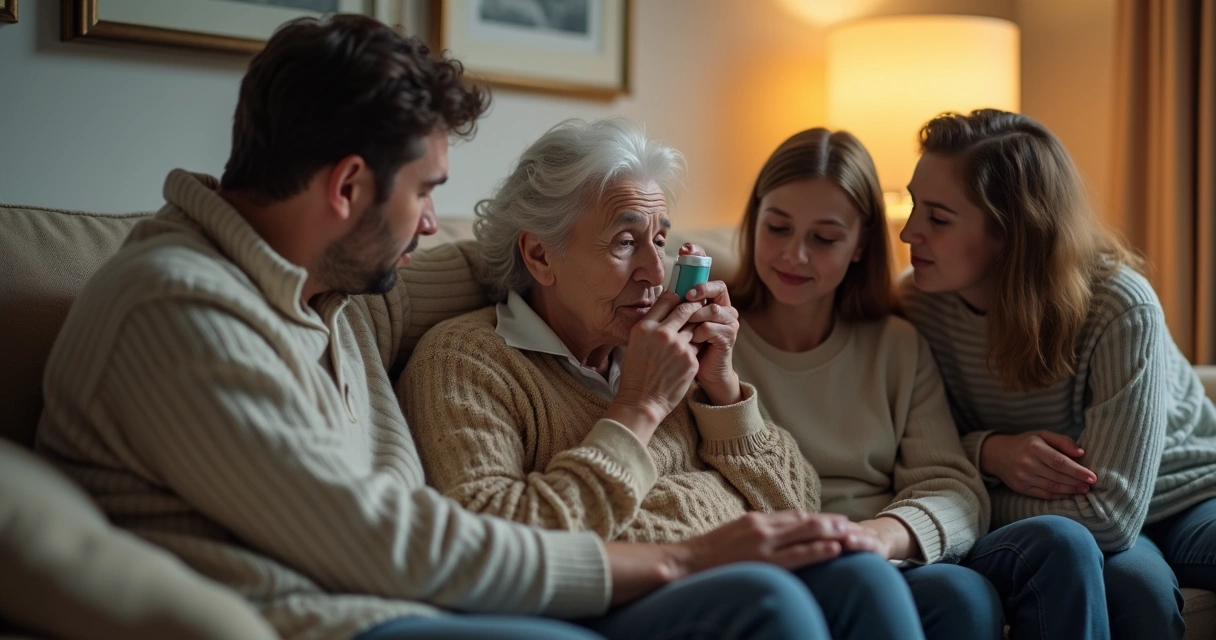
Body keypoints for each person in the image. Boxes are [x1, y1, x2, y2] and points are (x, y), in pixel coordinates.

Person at [33, 14, 877, 640]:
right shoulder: (177, 311)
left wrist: (679, 328)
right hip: (327, 618)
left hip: (399, 597)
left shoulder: (327, 286)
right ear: (349, 188)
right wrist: (685, 551)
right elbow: (389, 543)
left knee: (863, 584)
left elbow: (493, 260)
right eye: (426, 192)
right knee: (764, 604)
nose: (437, 225)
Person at [401, 117, 929, 640]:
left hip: (716, 577)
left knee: (865, 578)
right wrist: (639, 408)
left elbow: (798, 507)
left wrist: (722, 389)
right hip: (599, 605)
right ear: (540, 254)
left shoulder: (665, 348)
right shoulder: (466, 359)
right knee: (769, 601)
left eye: (660, 238)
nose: (656, 273)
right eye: (625, 242)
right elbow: (497, 541)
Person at [899, 108, 1216, 640]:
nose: (910, 232)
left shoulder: (1117, 304)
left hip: (1184, 489)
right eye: (914, 205)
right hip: (1077, 519)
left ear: (1010, 230)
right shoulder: (917, 304)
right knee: (1137, 592)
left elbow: (1112, 515)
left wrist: (975, 493)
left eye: (938, 217)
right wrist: (988, 449)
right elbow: (919, 442)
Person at [726, 127, 1001, 640]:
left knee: (965, 595)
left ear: (859, 246)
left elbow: (954, 489)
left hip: (881, 556)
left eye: (824, 238)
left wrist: (878, 538)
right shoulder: (714, 338)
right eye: (777, 228)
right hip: (767, 562)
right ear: (754, 218)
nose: (794, 256)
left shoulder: (895, 345)